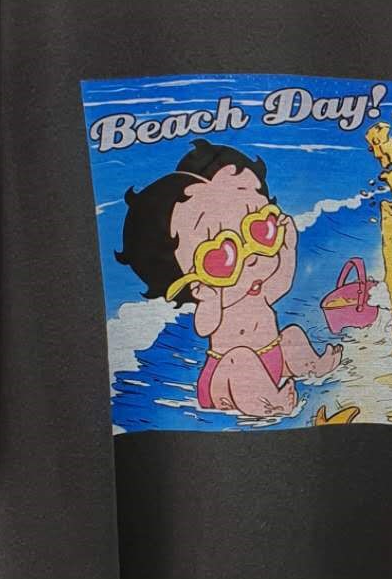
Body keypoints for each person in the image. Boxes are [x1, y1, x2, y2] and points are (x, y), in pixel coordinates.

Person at [116, 139, 341, 418]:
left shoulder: (256, 290)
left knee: (292, 334)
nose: (251, 258)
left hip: (270, 359)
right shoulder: (213, 297)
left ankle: (313, 366)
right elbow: (205, 327)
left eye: (261, 231)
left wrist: (288, 248)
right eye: (221, 257)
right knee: (241, 358)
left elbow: (281, 285)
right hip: (224, 378)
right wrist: (211, 299)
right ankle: (268, 403)